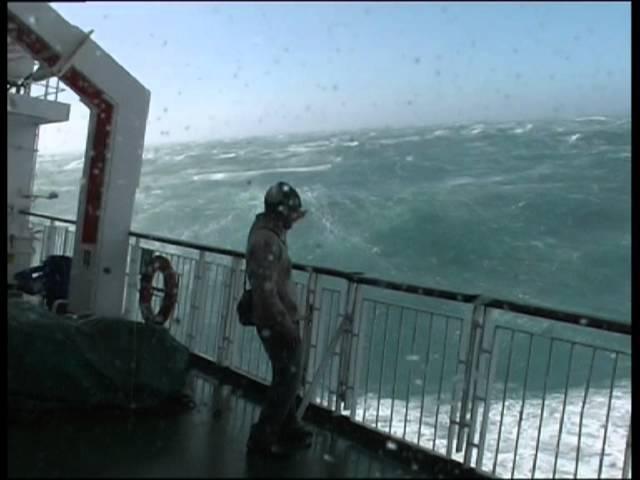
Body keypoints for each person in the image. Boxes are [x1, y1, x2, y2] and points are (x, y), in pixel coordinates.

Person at [245, 181, 313, 457]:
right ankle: (263, 437)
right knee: (287, 379)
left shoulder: (270, 234)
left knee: (287, 376)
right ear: (280, 213)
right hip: (275, 321)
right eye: (291, 214)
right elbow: (266, 291)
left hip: (276, 318)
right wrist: (286, 325)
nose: (293, 221)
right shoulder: (266, 241)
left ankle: (288, 425)